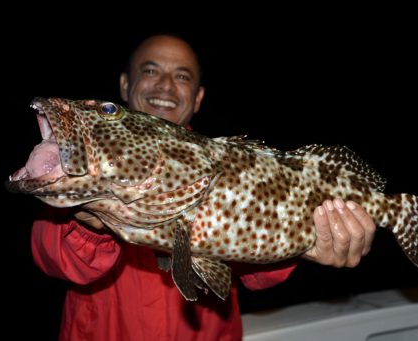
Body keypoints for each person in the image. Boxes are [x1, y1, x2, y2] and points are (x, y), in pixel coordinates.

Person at [31, 34, 376, 341]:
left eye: (182, 76)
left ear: (197, 97)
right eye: (150, 71)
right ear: (125, 84)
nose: (165, 85)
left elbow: (257, 276)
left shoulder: (227, 165)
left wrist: (310, 243)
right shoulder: (90, 166)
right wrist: (90, 222)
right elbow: (56, 260)